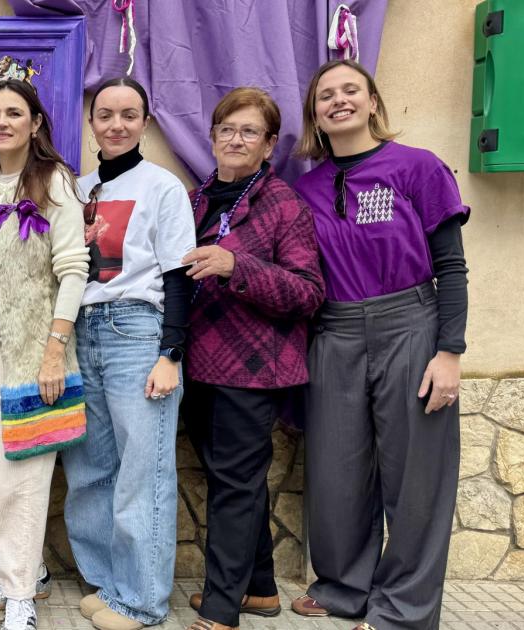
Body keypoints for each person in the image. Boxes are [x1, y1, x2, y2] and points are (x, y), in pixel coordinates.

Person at [291, 59, 468, 630]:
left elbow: (451, 267)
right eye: (325, 95)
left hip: (410, 326)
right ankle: (344, 589)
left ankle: (402, 611)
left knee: (417, 477)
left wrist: (450, 352)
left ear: (373, 103)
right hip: (334, 331)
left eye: (351, 90)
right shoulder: (305, 189)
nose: (338, 100)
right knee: (335, 472)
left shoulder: (418, 168)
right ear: (314, 114)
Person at [179, 88, 324, 630]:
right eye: (227, 129)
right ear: (212, 137)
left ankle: (221, 609)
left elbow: (308, 292)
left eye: (249, 132)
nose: (235, 139)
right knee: (232, 482)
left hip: (252, 370)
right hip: (194, 363)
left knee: (236, 486)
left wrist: (235, 266)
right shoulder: (193, 200)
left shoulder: (284, 204)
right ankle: (260, 589)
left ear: (268, 145)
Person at [60, 77, 196, 630]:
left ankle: (141, 601)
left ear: (144, 122)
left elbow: (179, 274)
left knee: (144, 469)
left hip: (136, 331)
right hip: (82, 330)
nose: (116, 125)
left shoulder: (163, 187)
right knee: (90, 468)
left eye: (129, 114)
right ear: (91, 123)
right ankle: (108, 584)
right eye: (106, 114)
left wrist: (172, 352)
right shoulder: (77, 189)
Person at [0, 79, 89, 630]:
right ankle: (29, 571)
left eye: (14, 113)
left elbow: (72, 270)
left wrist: (54, 351)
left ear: (35, 124)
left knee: (22, 471)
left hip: (30, 342)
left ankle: (19, 595)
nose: (2, 122)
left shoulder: (55, 181)